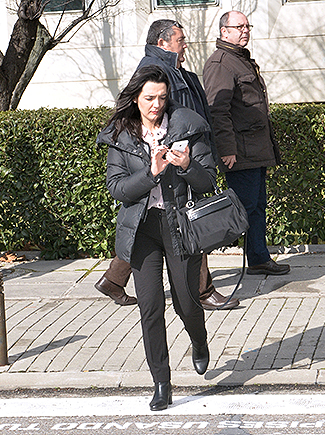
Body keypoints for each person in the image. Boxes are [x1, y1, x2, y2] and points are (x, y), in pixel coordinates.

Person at [95, 19, 240, 311]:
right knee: (191, 223)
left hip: (187, 156)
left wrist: (204, 153)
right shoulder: (156, 72)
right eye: (180, 40)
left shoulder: (177, 71)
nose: (185, 45)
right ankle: (202, 291)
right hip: (168, 160)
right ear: (163, 43)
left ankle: (113, 279)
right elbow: (156, 117)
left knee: (178, 222)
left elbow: (196, 117)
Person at [98, 65, 216, 410]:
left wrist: (187, 166)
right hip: (142, 231)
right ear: (135, 98)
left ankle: (199, 339)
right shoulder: (122, 136)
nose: (156, 105)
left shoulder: (187, 127)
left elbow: (208, 180)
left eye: (162, 98)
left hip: (180, 226)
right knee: (150, 308)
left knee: (187, 302)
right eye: (149, 98)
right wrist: (151, 174)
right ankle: (161, 383)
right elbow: (117, 188)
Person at [203, 11, 290, 276]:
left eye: (247, 26)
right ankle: (196, 262)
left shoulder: (239, 60)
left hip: (255, 150)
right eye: (238, 26)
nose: (245, 30)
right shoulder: (221, 63)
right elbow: (217, 110)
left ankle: (258, 259)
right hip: (240, 152)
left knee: (254, 208)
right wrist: (227, 149)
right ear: (223, 31)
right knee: (236, 212)